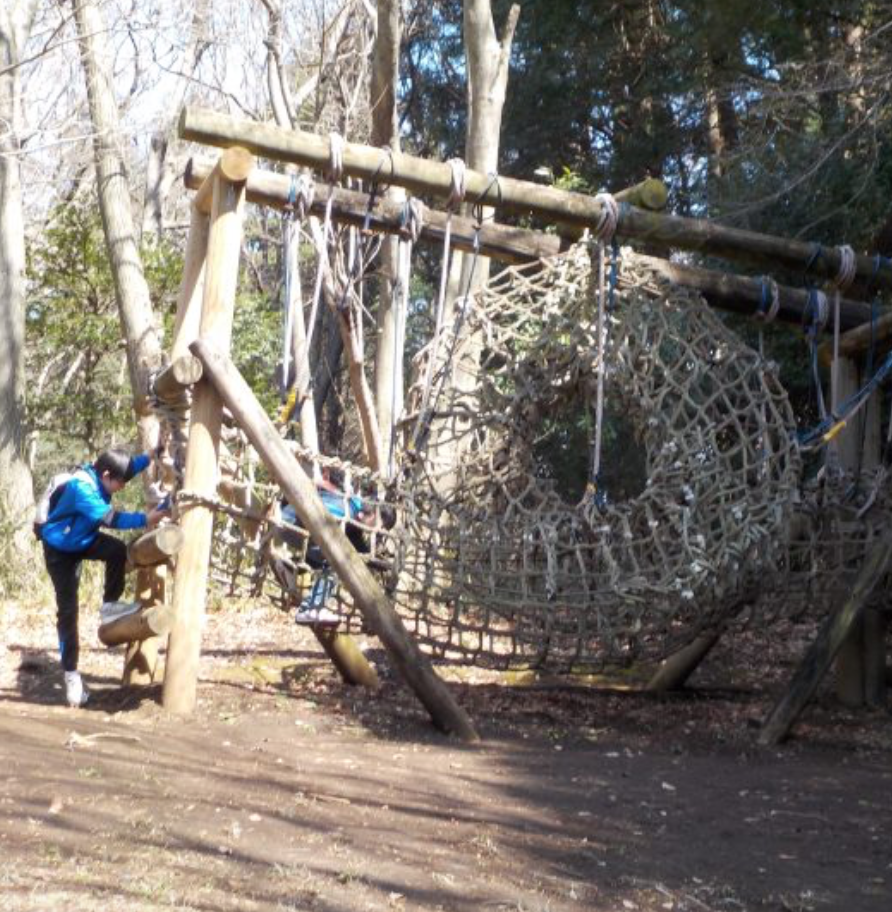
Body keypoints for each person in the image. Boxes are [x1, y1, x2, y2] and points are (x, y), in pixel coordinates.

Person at [38, 448, 168, 707]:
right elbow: (111, 518)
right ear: (106, 475)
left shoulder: (106, 473)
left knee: (117, 551)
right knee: (68, 610)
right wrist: (147, 518)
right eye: (119, 482)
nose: (121, 487)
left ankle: (109, 605)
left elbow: (129, 468)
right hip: (59, 550)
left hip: (83, 538)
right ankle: (71, 675)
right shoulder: (81, 489)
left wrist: (152, 455)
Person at [280, 466, 369, 625]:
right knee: (336, 558)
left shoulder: (342, 500)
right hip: (293, 523)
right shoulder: (347, 506)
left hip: (288, 523)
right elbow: (313, 513)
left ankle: (294, 566)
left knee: (326, 557)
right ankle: (312, 608)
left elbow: (359, 544)